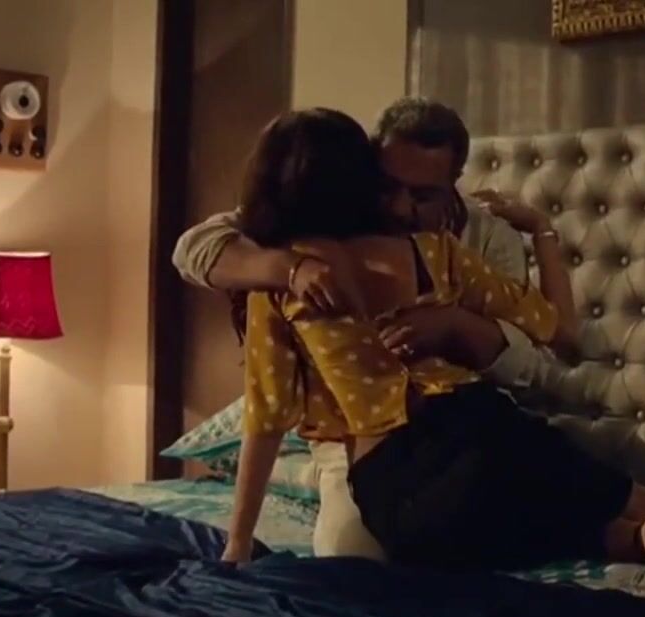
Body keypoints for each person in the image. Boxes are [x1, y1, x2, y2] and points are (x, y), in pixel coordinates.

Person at [219, 107, 645, 585]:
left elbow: (266, 416)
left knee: (448, 545)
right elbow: (557, 330)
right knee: (634, 497)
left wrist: (238, 542)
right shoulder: (431, 251)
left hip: (394, 477)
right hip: (478, 422)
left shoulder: (277, 279)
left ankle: (642, 541)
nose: (402, 202)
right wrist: (542, 239)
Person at [173, 98, 567, 558]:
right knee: (354, 555)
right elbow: (192, 250)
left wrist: (456, 326)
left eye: (422, 194)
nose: (400, 207)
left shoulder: (481, 239)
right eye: (388, 186)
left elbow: (531, 364)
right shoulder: (316, 230)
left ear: (454, 181)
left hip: (456, 420)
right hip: (352, 438)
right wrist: (287, 268)